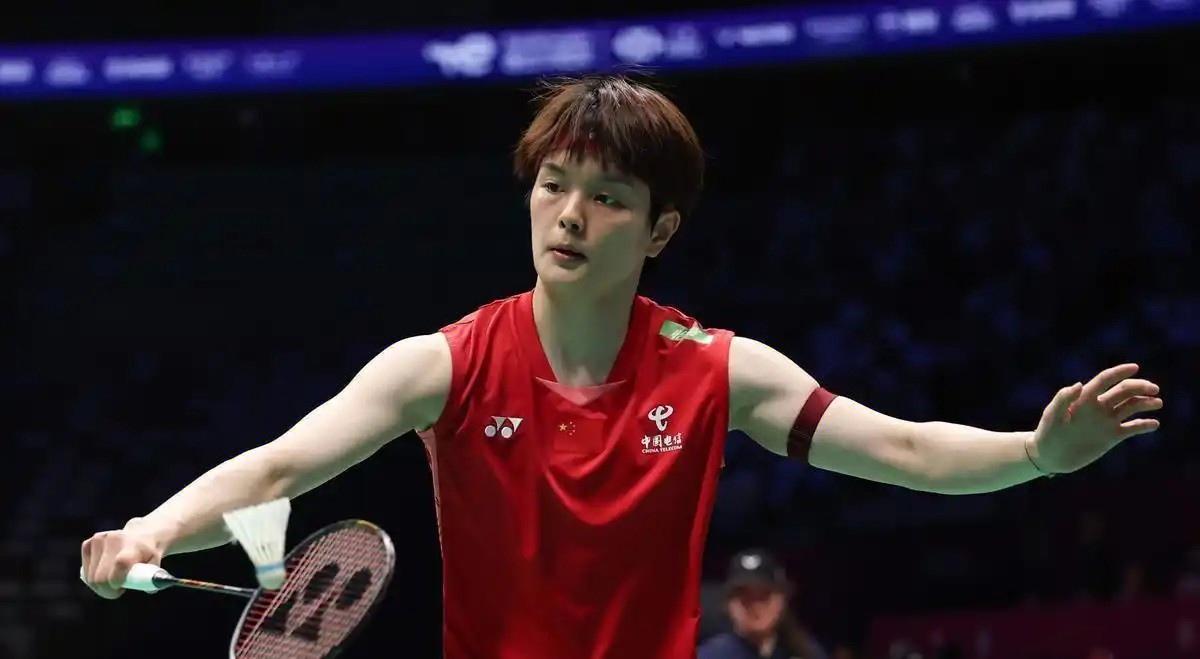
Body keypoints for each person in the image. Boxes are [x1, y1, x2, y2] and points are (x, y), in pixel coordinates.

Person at [79, 74, 1165, 658]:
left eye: (607, 197)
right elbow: (278, 466)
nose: (570, 213)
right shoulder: (442, 365)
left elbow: (909, 450)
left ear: (658, 230)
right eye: (554, 184)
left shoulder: (718, 369)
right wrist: (152, 529)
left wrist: (1037, 453)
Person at [698, 549, 828, 659]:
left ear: (782, 600)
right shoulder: (709, 655)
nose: (755, 606)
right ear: (728, 605)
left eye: (764, 596)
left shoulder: (805, 652)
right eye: (744, 597)